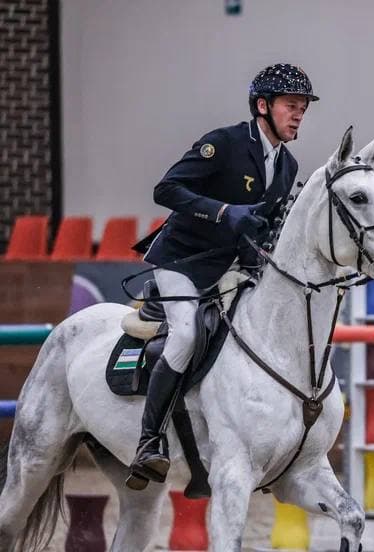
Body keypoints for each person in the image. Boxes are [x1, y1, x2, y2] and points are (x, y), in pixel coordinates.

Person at [125, 63, 318, 489]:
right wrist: (223, 212)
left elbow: (261, 227)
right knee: (186, 335)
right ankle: (149, 440)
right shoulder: (224, 143)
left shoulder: (287, 166)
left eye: (303, 108)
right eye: (291, 106)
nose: (298, 115)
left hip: (232, 266)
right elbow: (166, 189)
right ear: (263, 106)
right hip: (183, 260)